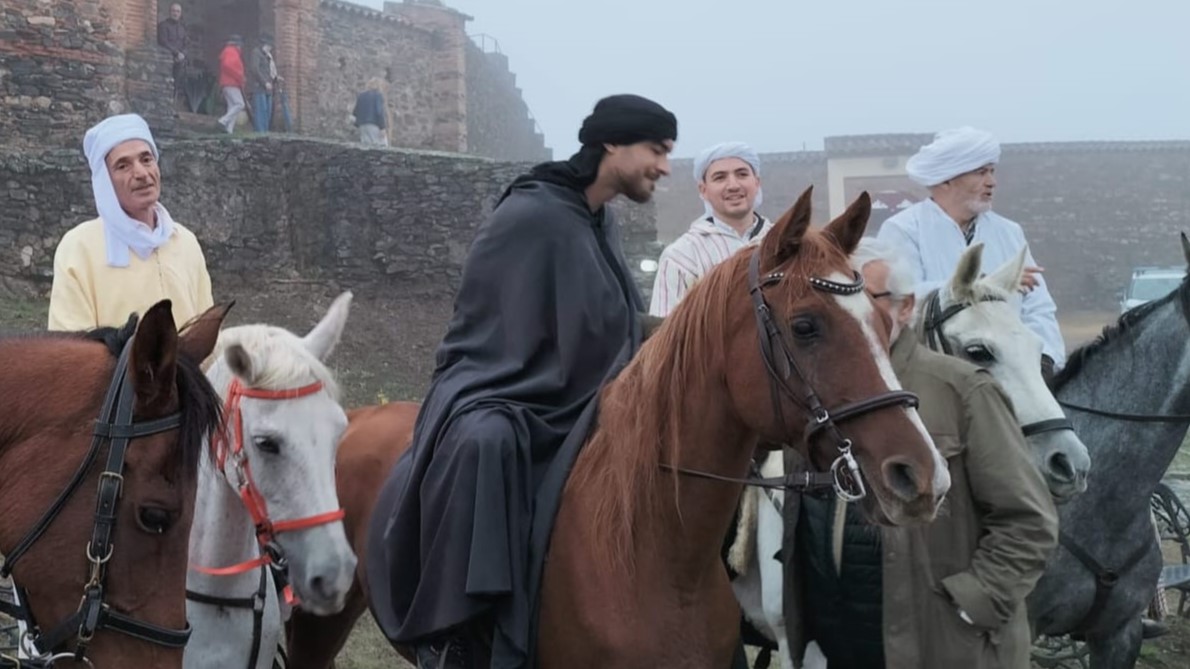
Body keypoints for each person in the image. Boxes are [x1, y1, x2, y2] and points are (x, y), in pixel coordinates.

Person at [365, 94, 677, 669]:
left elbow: (609, 319)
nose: (663, 166)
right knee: (488, 441)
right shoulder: (532, 214)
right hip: (498, 381)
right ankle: (454, 631)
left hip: (575, 386)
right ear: (612, 143)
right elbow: (495, 322)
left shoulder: (597, 218)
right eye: (655, 150)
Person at [784, 237, 1059, 669]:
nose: (848, 314)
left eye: (862, 299)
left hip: (940, 645)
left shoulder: (963, 390)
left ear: (906, 307)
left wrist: (975, 602)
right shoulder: (816, 394)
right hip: (839, 645)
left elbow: (1028, 519)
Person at [876, 126, 1066, 378]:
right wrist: (988, 285)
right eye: (980, 172)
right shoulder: (902, 230)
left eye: (992, 171)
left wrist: (1044, 358)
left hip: (1013, 374)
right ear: (946, 178)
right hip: (936, 378)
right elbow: (903, 300)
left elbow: (1038, 308)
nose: (992, 182)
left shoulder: (1009, 232)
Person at [48, 114, 214, 332]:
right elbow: (70, 350)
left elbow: (207, 332)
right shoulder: (79, 248)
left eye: (146, 159)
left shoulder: (185, 242)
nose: (141, 174)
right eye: (123, 166)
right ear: (104, 181)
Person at [648, 141, 770, 316]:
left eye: (742, 174)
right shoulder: (682, 256)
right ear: (703, 190)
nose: (733, 185)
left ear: (757, 183)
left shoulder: (785, 244)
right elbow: (664, 329)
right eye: (720, 177)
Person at [248, 33, 280, 133]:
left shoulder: (268, 56)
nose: (270, 48)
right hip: (259, 87)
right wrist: (264, 82)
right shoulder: (256, 53)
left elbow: (269, 71)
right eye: (269, 46)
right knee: (260, 111)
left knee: (267, 111)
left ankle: (265, 131)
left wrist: (275, 78)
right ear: (264, 44)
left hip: (268, 88)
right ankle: (260, 132)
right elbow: (255, 69)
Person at [156, 3, 187, 98]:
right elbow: (163, 41)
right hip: (166, 60)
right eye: (174, 11)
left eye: (178, 11)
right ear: (170, 12)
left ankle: (173, 106)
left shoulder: (182, 28)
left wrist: (183, 54)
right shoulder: (163, 26)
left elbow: (186, 44)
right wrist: (176, 53)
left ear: (180, 14)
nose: (175, 13)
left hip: (179, 62)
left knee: (176, 85)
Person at [217, 35, 246, 134]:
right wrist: (240, 76)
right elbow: (228, 66)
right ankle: (223, 121)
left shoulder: (229, 51)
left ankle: (229, 130)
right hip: (231, 83)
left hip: (228, 83)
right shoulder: (231, 52)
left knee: (232, 106)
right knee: (240, 104)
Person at [353, 78, 390, 146]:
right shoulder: (378, 95)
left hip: (362, 125)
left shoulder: (361, 95)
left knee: (365, 147)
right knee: (381, 146)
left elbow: (355, 112)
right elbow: (379, 112)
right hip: (374, 125)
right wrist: (382, 127)